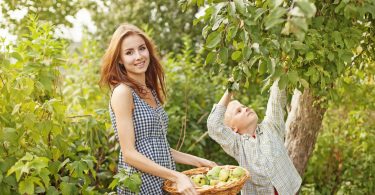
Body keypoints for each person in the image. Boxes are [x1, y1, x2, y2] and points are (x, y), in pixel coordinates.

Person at [100, 23, 216, 195]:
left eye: (142, 48)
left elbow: (157, 146)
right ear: (119, 60)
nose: (138, 56)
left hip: (162, 180)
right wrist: (177, 176)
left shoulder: (150, 91)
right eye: (129, 52)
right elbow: (129, 153)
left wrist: (198, 161)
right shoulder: (123, 92)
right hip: (140, 184)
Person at [207, 79, 302, 195]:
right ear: (233, 129)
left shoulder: (272, 126)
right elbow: (213, 125)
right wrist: (229, 90)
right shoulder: (237, 145)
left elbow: (276, 97)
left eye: (244, 106)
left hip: (290, 190)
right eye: (238, 111)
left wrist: (281, 68)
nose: (245, 109)